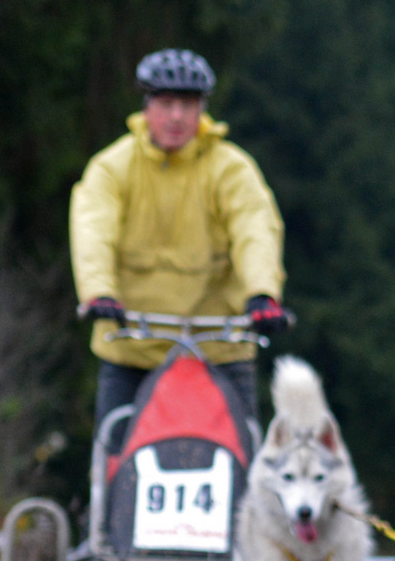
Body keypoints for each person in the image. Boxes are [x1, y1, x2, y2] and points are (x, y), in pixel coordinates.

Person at [70, 49, 288, 435]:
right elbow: (93, 232)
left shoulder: (230, 168)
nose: (176, 117)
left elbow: (255, 228)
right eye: (166, 103)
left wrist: (261, 294)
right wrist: (99, 292)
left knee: (244, 461)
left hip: (219, 350)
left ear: (202, 111)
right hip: (132, 350)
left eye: (187, 106)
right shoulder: (112, 167)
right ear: (146, 107)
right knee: (113, 460)